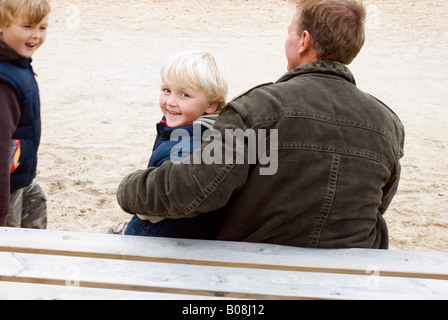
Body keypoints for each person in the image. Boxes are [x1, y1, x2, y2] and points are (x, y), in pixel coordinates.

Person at [117, 0, 405, 249]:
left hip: (260, 273)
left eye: (289, 33)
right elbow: (379, 205)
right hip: (354, 276)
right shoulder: (388, 123)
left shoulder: (256, 108)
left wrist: (129, 188)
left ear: (303, 41)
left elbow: (194, 190)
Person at [114, 50, 228, 239]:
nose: (171, 102)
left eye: (184, 95)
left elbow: (159, 204)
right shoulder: (190, 129)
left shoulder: (189, 148)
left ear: (211, 105)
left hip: (166, 235)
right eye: (167, 90)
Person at [0, 0, 50, 228]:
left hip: (19, 177)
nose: (36, 36)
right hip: (5, 188)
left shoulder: (16, 64)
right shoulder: (5, 82)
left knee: (35, 199)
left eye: (42, 27)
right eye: (28, 26)